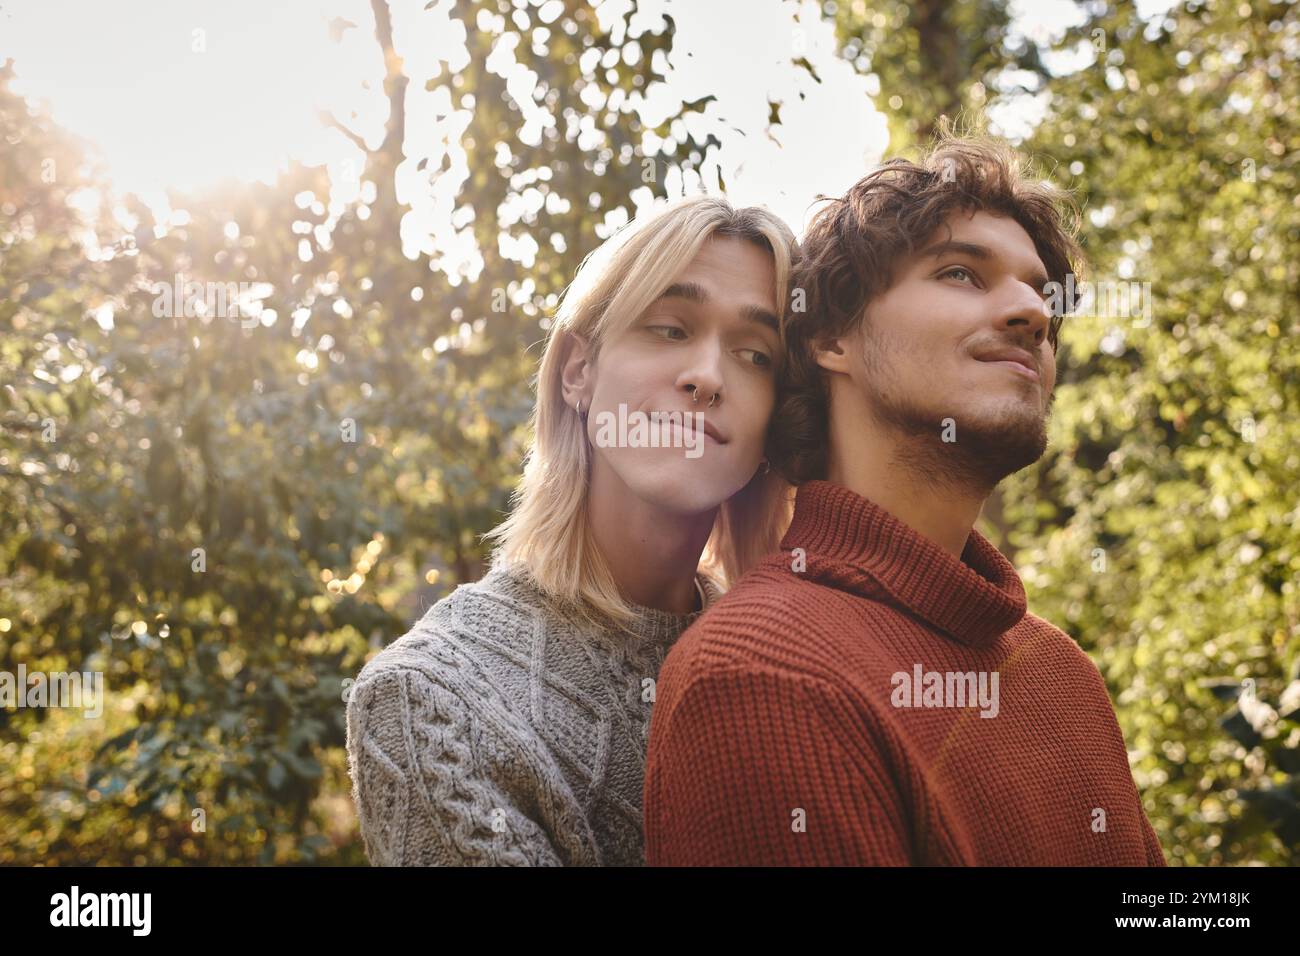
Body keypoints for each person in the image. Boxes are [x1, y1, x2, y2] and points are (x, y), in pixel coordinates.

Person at [643, 130, 1168, 866]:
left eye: (1039, 291)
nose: (1032, 313)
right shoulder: (763, 674)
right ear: (831, 340)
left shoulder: (1059, 670)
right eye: (961, 273)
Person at [345, 195, 798, 865]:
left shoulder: (796, 669)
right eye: (671, 328)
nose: (706, 377)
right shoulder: (431, 699)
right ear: (578, 372)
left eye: (756, 354)